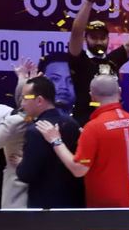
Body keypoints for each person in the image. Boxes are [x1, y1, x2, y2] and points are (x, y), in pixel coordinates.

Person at [35, 75, 129, 208]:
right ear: (120, 92)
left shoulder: (94, 128)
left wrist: (56, 140)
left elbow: (79, 169)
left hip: (107, 207)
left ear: (92, 96)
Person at [16, 76, 84, 209]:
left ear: (39, 100)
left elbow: (26, 174)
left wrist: (20, 164)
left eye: (25, 98)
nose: (22, 104)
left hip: (45, 207)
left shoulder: (35, 131)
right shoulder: (72, 123)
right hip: (74, 204)